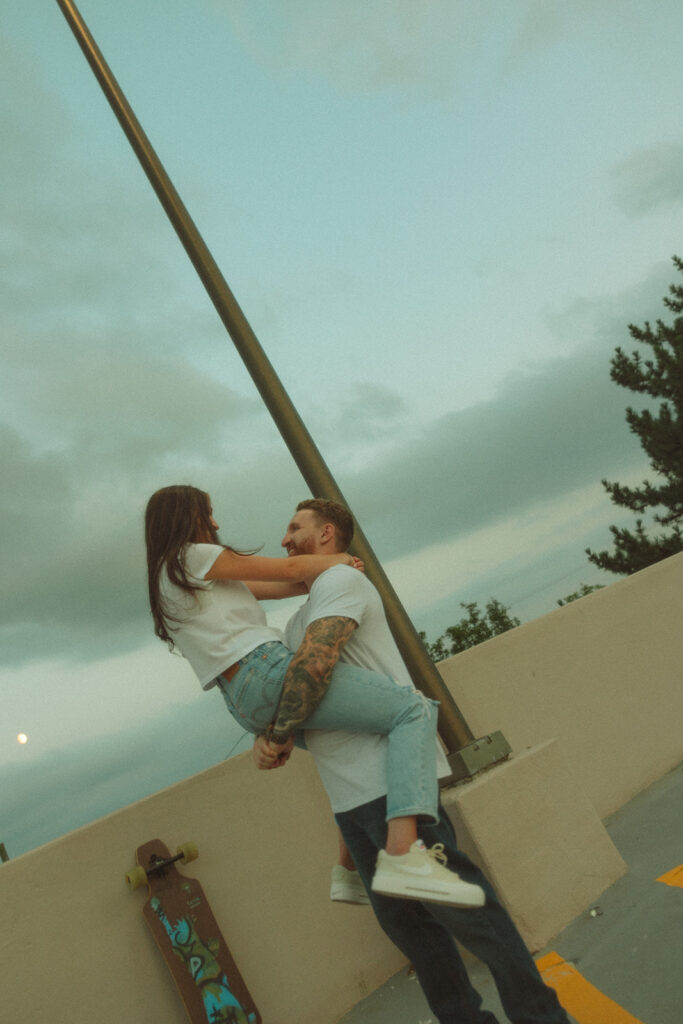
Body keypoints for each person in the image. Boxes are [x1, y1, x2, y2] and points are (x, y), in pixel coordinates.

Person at [252, 499, 572, 1024]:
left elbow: (316, 666)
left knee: (472, 918)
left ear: (327, 533)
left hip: (394, 790)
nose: (284, 540)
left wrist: (280, 727)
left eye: (294, 529)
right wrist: (275, 739)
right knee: (418, 941)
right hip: (353, 806)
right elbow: (311, 707)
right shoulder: (297, 619)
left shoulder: (344, 585)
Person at [145, 484, 484, 909]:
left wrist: (320, 571)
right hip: (265, 672)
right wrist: (338, 560)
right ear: (183, 515)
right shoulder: (192, 556)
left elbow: (291, 585)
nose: (214, 523)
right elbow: (287, 572)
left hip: (241, 701)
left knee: (341, 746)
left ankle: (348, 872)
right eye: (207, 513)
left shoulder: (172, 580)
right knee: (411, 709)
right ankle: (402, 856)